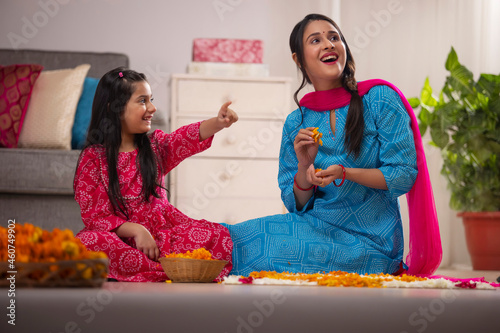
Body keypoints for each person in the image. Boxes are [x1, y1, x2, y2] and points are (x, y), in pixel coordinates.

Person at [224, 14, 441, 276]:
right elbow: (297, 206)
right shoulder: (297, 122)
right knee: (237, 236)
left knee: (256, 248)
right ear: (298, 58)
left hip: (372, 244)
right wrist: (305, 167)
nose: (328, 44)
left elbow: (404, 175)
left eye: (334, 37)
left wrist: (345, 173)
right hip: (314, 228)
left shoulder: (379, 99)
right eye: (316, 40)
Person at [73, 67, 238, 282]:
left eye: (151, 99)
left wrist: (218, 123)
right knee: (87, 243)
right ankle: (167, 268)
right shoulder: (93, 158)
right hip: (119, 239)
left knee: (217, 235)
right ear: (115, 108)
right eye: (142, 101)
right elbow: (95, 216)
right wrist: (137, 230)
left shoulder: (155, 146)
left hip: (162, 238)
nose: (152, 108)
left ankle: (155, 267)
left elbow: (184, 138)